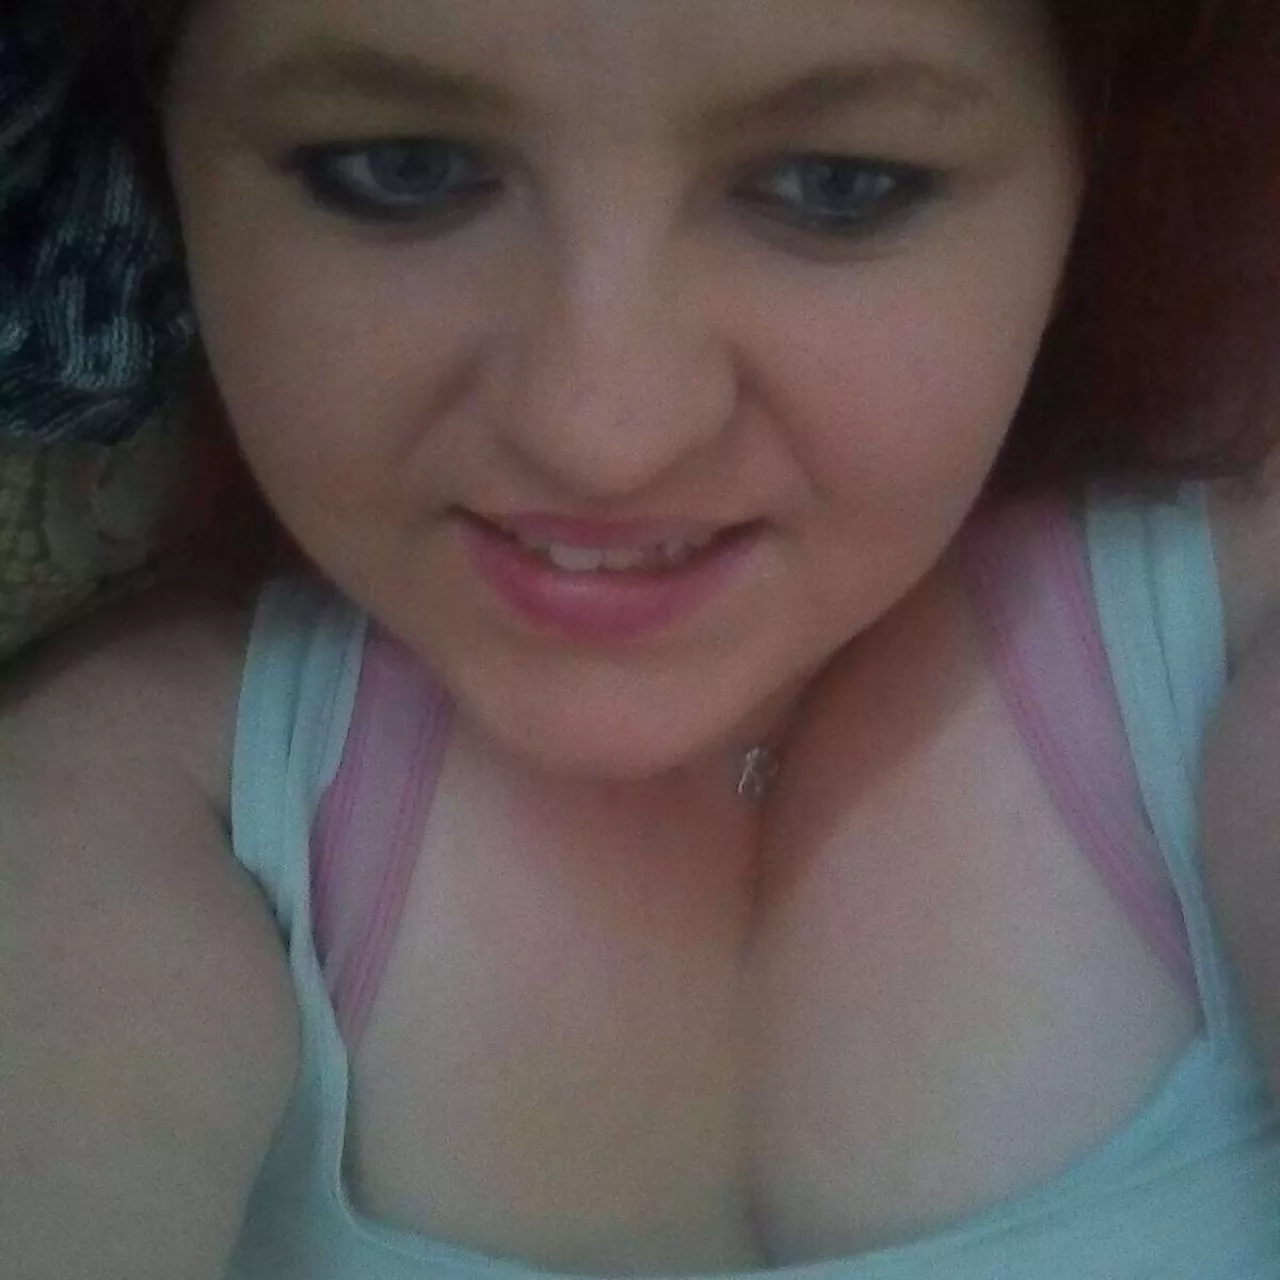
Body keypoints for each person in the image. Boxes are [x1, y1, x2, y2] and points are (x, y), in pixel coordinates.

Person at [3, 1, 1280, 1276]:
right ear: (163, 164)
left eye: (836, 185)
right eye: (401, 168)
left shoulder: (1232, 629)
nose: (602, 434)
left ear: (1092, 175)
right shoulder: (142, 806)